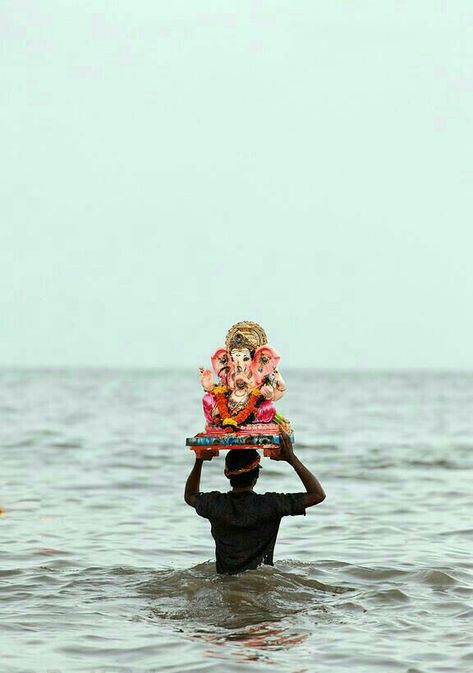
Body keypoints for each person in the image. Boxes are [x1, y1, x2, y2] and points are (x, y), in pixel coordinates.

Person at [184, 430, 326, 575]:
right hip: (260, 584)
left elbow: (190, 496)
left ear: (226, 473)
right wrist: (291, 458)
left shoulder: (214, 504)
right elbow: (317, 495)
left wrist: (199, 460)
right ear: (257, 476)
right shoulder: (272, 504)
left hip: (223, 583)